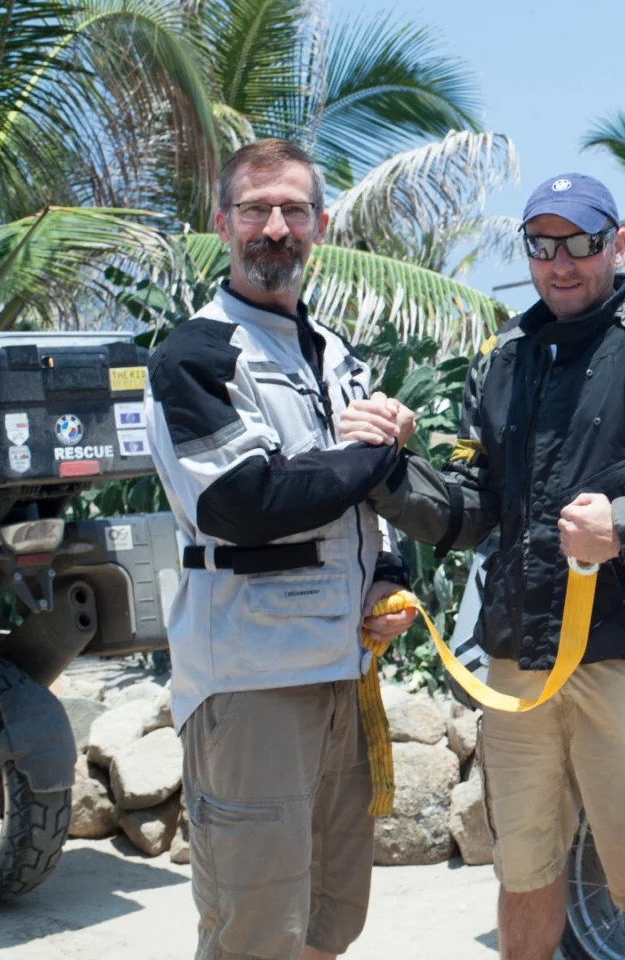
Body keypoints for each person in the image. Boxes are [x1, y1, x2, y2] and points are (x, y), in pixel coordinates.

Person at [339, 172, 625, 960]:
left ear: (617, 243)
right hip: (519, 669)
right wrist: (388, 470)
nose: (561, 263)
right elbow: (470, 510)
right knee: (523, 868)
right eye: (544, 246)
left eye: (580, 243)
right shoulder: (502, 355)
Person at [143, 138, 418, 960]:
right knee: (254, 932)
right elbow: (243, 502)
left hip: (341, 671)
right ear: (221, 222)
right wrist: (381, 450)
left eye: (293, 209)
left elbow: (363, 497)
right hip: (251, 682)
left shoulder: (336, 353)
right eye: (256, 209)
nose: (275, 226)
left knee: (331, 920)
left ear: (319, 226)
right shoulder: (195, 354)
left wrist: (390, 577)